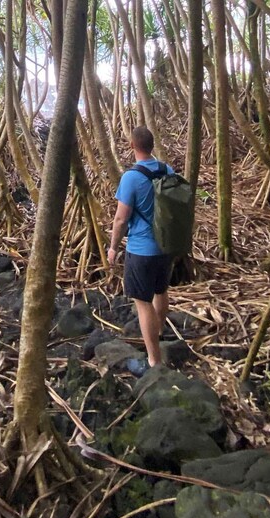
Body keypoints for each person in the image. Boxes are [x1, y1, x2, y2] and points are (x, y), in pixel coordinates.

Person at [107, 127, 174, 375]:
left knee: (143, 303)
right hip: (166, 245)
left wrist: (113, 248)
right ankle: (160, 330)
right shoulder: (167, 170)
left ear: (132, 146)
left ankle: (154, 362)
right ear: (152, 145)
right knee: (161, 290)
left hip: (141, 249)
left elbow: (121, 220)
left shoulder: (130, 178)